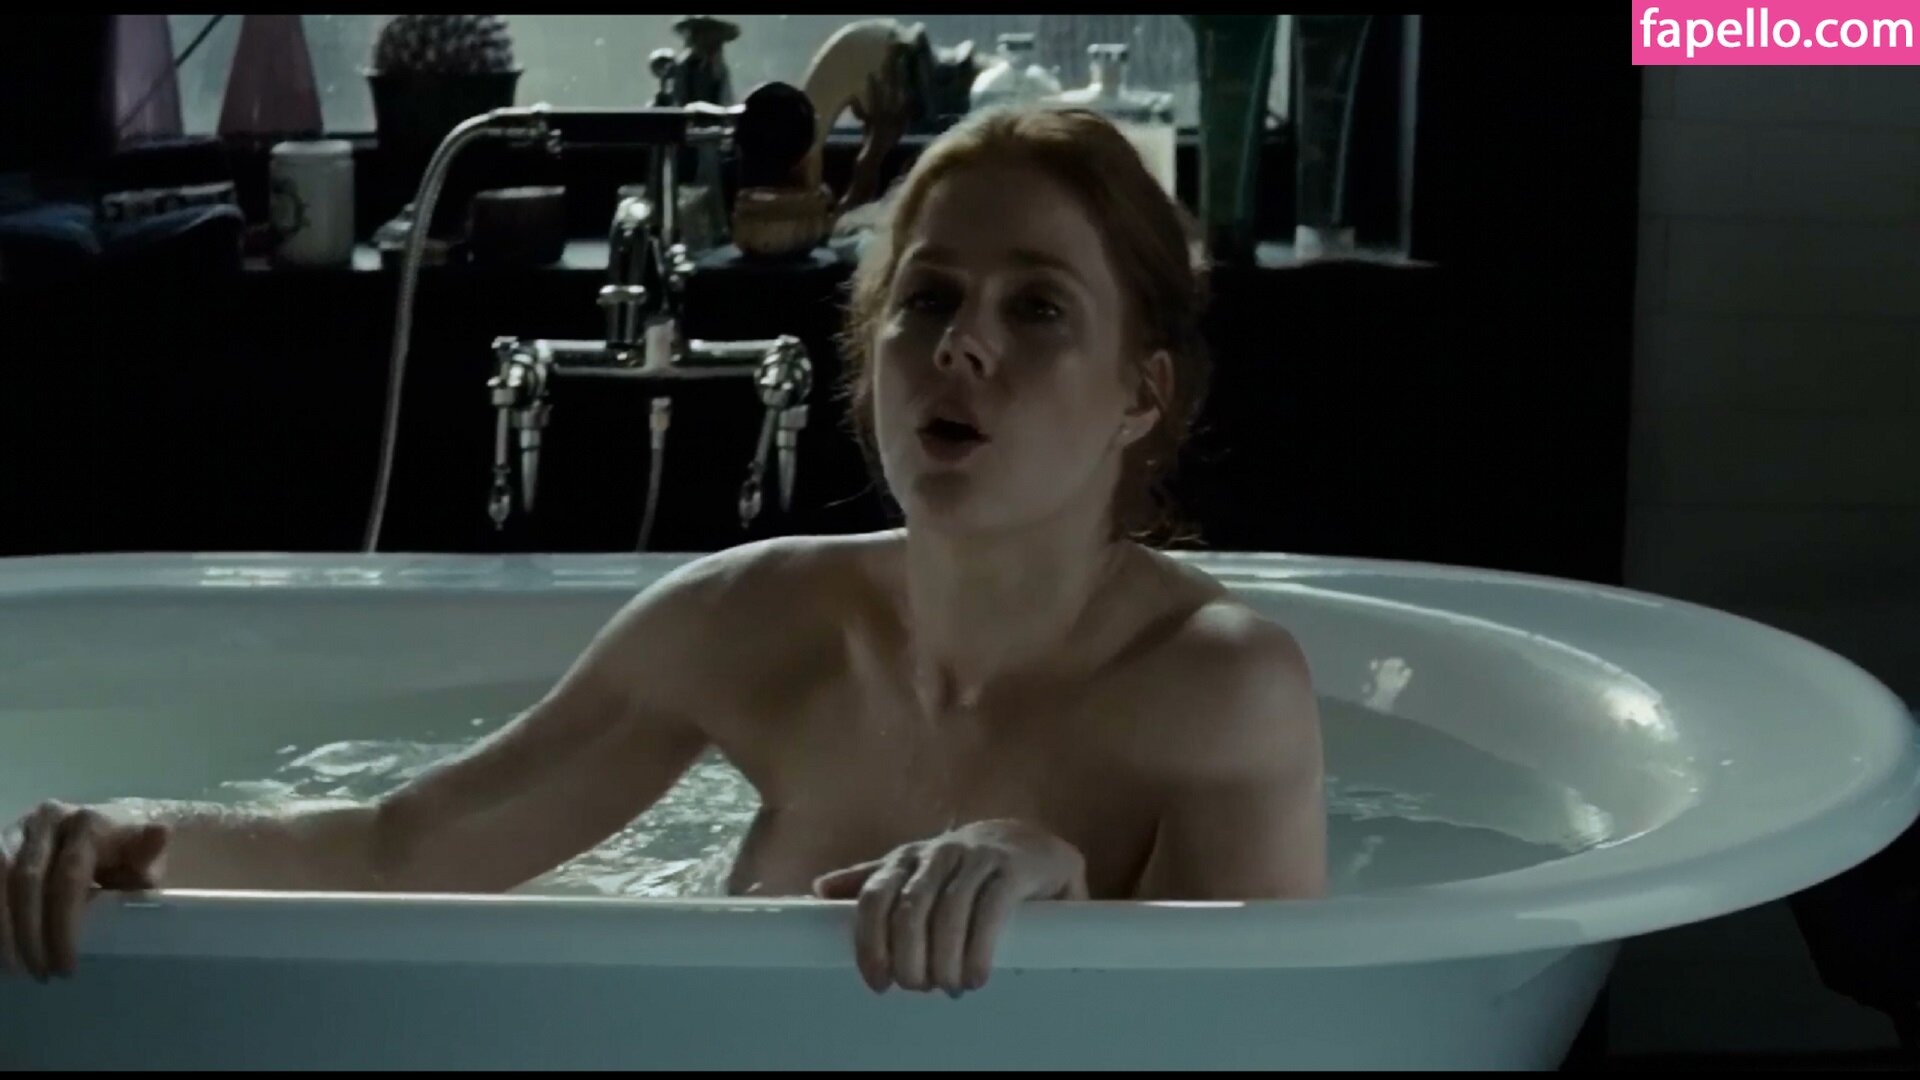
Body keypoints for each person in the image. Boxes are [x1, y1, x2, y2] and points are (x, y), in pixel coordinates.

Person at [0, 106, 1326, 996]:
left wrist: (1065, 882)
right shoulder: (750, 624)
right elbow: (401, 851)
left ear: (1142, 392)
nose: (962, 345)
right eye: (927, 297)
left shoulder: (1217, 690)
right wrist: (132, 834)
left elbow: (1253, 1045)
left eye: (1038, 307)